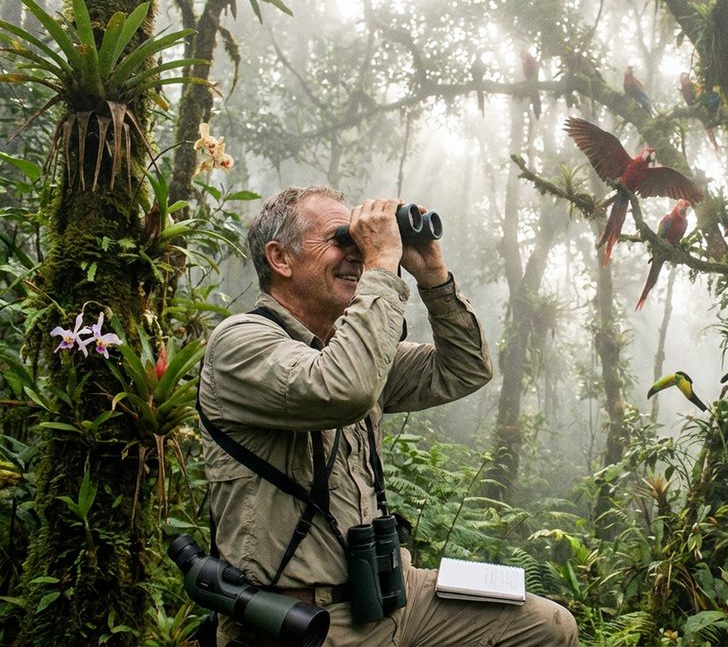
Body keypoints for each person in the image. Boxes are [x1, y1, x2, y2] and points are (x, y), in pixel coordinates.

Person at [197, 186, 578, 646]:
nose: (356, 255)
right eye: (341, 239)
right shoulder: (239, 342)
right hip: (302, 616)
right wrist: (381, 265)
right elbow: (345, 388)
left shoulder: (355, 350)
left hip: (389, 592)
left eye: (360, 244)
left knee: (546, 628)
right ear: (280, 258)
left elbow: (465, 368)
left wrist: (432, 276)